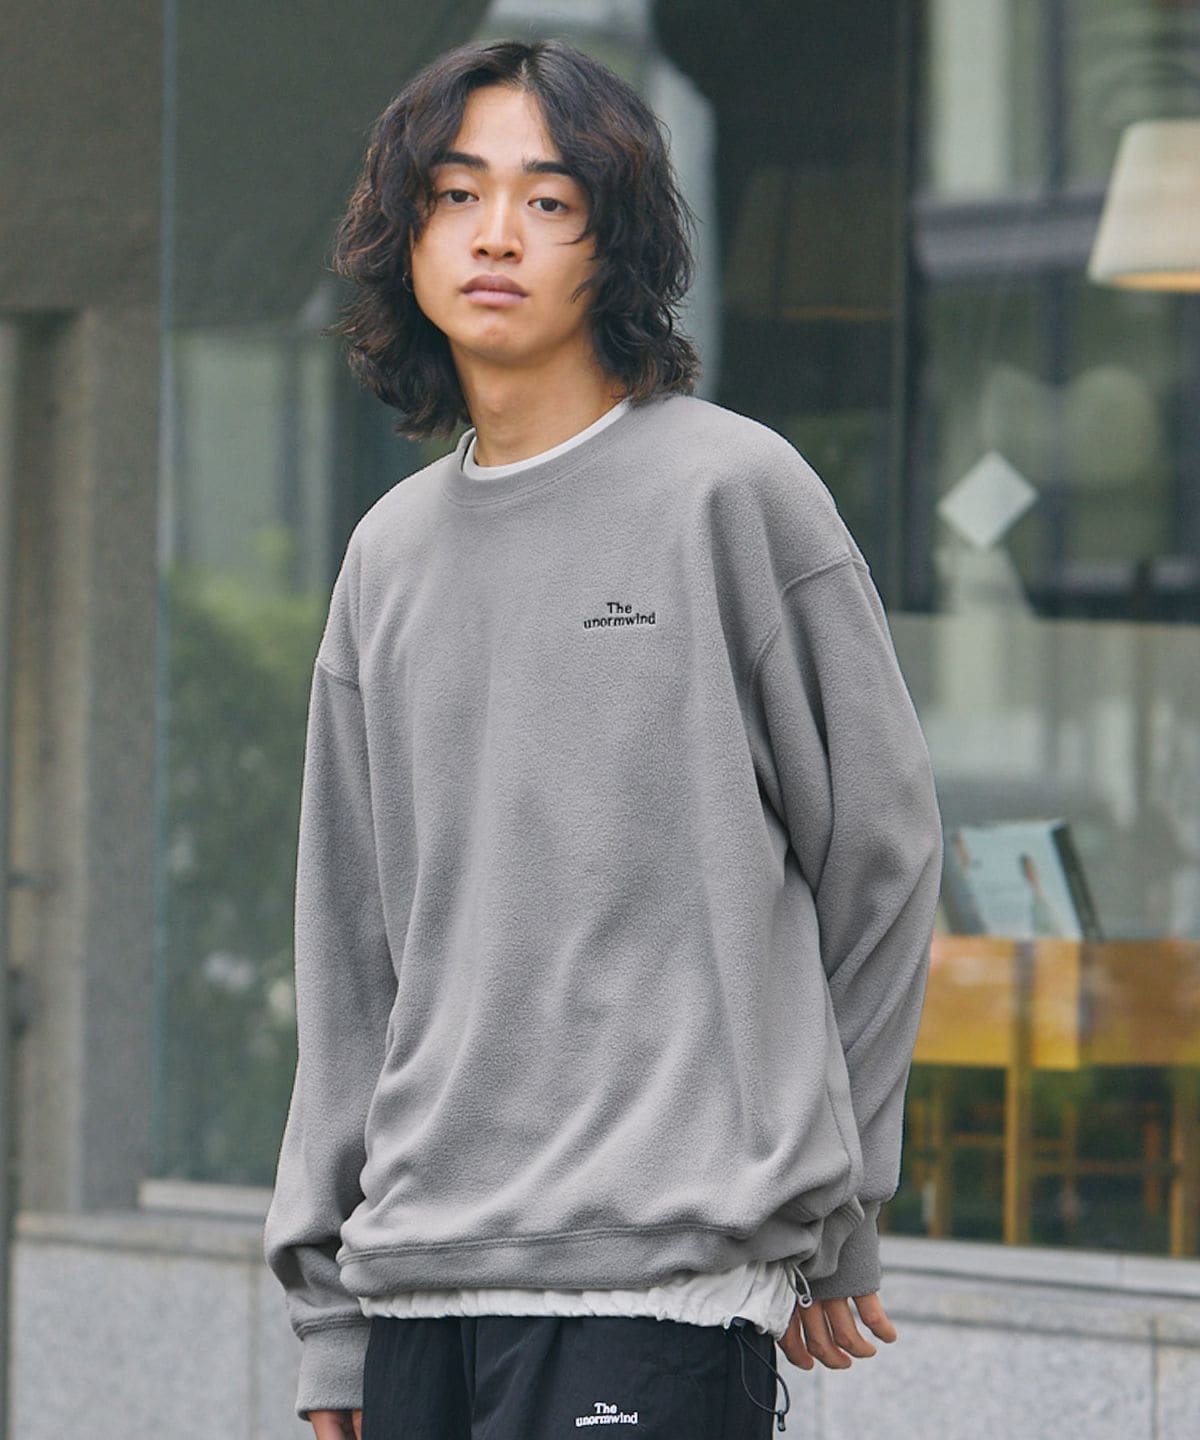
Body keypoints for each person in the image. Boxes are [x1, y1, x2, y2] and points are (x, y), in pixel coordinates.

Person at [263, 36, 944, 1440]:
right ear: (406, 237)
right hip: (422, 1283)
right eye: (456, 195)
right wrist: (331, 1318)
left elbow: (881, 859)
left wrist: (838, 1204)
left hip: (662, 1284)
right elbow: (350, 955)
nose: (495, 234)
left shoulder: (732, 495)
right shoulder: (387, 555)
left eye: (549, 200)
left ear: (613, 240)